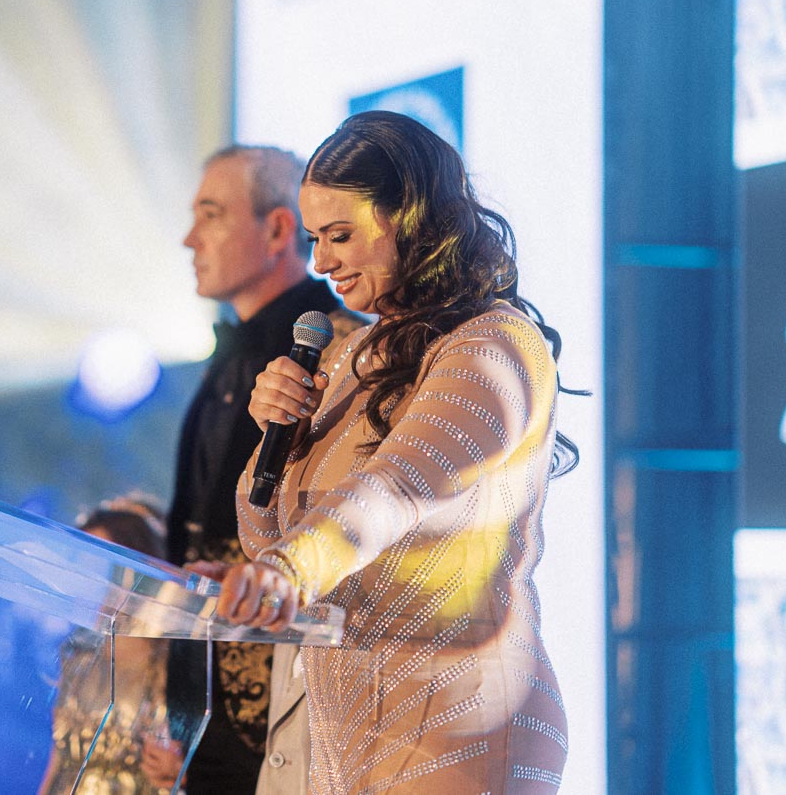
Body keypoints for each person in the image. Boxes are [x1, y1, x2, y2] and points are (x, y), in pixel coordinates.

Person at [216, 111, 579, 794]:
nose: (320, 263)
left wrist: (288, 571)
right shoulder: (350, 353)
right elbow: (267, 538)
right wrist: (276, 440)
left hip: (461, 730)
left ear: (410, 219)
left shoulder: (492, 347)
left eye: (341, 235)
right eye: (316, 239)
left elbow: (394, 493)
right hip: (351, 733)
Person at [140, 145, 363, 794]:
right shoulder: (224, 356)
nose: (189, 238)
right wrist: (175, 711)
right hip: (205, 711)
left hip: (290, 715)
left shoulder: (342, 349)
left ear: (277, 230)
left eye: (210, 214)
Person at [39, 497, 173, 795]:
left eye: (99, 565)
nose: (88, 580)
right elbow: (58, 757)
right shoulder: (77, 654)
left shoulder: (171, 665)